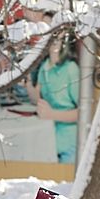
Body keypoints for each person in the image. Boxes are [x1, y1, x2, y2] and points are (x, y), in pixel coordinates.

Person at [28, 32, 79, 164]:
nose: (56, 39)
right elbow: (36, 99)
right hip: (47, 136)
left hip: (68, 142)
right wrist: (26, 80)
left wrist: (51, 114)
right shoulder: (44, 66)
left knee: (59, 183)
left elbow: (84, 113)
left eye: (59, 36)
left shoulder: (71, 69)